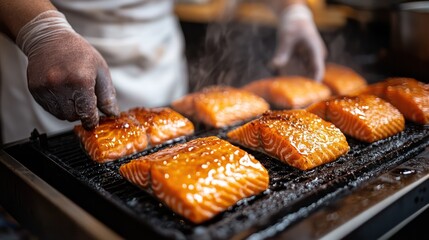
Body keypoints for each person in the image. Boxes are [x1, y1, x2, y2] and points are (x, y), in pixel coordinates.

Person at [0, 0, 326, 144]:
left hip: (156, 50)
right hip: (52, 46)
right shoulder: (45, 35)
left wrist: (291, 8)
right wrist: (42, 31)